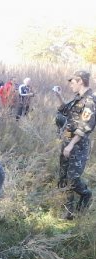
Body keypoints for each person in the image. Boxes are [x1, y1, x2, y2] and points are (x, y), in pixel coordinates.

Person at [53, 70, 95, 220]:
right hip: (67, 142)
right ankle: (68, 213)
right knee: (63, 178)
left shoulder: (90, 100)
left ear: (81, 81)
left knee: (73, 179)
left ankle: (86, 194)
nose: (70, 85)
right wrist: (58, 95)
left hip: (77, 146)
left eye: (73, 82)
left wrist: (70, 146)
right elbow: (65, 111)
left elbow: (85, 125)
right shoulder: (77, 98)